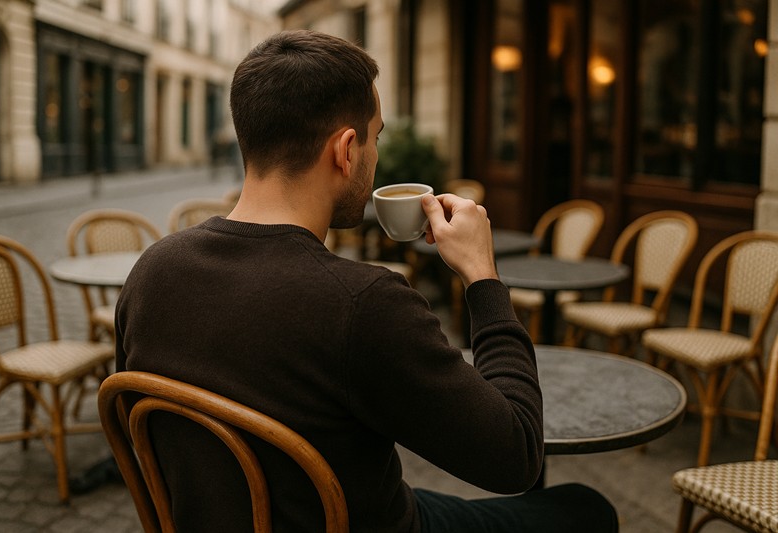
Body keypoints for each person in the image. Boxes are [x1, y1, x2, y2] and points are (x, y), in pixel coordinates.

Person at [115, 29, 618, 532]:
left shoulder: (151, 272)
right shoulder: (361, 302)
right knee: (586, 508)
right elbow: (516, 456)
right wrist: (482, 276)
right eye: (375, 137)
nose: (375, 155)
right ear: (346, 149)